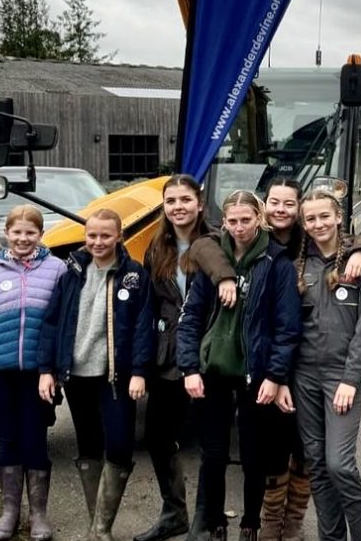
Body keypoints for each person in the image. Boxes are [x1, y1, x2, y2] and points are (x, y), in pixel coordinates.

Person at [189, 178, 361, 541]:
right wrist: (225, 275)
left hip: (320, 371)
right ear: (264, 207)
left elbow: (359, 248)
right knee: (297, 455)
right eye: (274, 202)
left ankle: (315, 525)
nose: (280, 209)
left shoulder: (323, 252)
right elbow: (204, 245)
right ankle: (289, 524)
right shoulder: (267, 251)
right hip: (289, 373)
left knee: (330, 462)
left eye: (288, 204)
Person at [177, 190, 301, 541]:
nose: (240, 227)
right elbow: (190, 318)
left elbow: (287, 327)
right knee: (213, 454)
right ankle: (216, 521)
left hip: (255, 373)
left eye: (246, 220)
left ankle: (250, 522)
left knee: (252, 454)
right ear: (224, 222)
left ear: (259, 219)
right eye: (232, 221)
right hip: (213, 371)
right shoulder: (213, 262)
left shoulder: (275, 262)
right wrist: (189, 368)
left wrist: (276, 375)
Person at [37, 208, 155, 541]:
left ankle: (101, 525)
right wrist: (46, 370)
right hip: (76, 377)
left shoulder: (133, 275)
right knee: (88, 447)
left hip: (115, 378)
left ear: (119, 237)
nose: (98, 242)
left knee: (118, 447)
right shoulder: (71, 272)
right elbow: (51, 323)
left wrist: (140, 372)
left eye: (106, 236)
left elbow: (143, 328)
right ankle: (98, 528)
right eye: (92, 236)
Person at [0, 204, 65, 540]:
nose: (23, 238)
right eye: (16, 232)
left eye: (30, 232)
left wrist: (56, 370)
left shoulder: (57, 270)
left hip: (38, 375)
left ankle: (39, 515)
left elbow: (63, 325)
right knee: (6, 439)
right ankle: (9, 511)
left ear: (40, 235)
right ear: (7, 233)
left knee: (34, 439)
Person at [285, 189, 361, 540]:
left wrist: (351, 379)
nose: (318, 223)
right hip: (304, 377)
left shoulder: (359, 264)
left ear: (339, 217)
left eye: (325, 216)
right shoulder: (298, 265)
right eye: (310, 218)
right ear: (303, 223)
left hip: (341, 377)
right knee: (317, 465)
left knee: (340, 464)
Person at [134, 175, 209, 541]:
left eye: (185, 199)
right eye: (171, 201)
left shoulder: (216, 243)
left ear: (199, 202)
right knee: (158, 435)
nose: (178, 207)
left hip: (210, 354)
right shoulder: (156, 248)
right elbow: (149, 306)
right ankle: (174, 511)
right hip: (168, 357)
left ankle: (206, 519)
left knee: (213, 440)